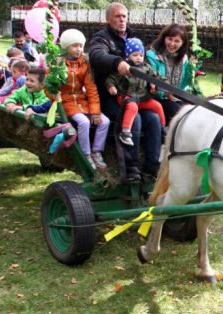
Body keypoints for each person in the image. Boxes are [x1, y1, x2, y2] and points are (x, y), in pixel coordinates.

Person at [89, 2, 163, 180]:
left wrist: (154, 83)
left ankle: (152, 167)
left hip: (136, 94)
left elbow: (144, 64)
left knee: (153, 119)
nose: (122, 19)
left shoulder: (134, 37)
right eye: (117, 16)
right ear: (108, 19)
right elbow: (97, 55)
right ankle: (131, 168)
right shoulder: (101, 38)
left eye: (124, 16)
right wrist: (117, 62)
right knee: (133, 118)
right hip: (110, 95)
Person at [57, 29, 110, 170]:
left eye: (81, 45)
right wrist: (54, 96)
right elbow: (49, 87)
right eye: (75, 46)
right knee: (84, 122)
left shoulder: (84, 64)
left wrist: (95, 112)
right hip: (67, 102)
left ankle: (97, 152)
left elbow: (91, 88)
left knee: (105, 122)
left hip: (82, 101)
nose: (79, 49)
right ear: (66, 47)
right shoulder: (58, 64)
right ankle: (85, 154)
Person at [106, 37, 165, 147]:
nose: (138, 58)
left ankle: (163, 128)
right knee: (133, 108)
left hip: (142, 97)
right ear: (128, 55)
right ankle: (125, 132)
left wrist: (154, 83)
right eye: (135, 55)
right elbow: (111, 79)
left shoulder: (147, 67)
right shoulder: (125, 68)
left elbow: (157, 76)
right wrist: (111, 86)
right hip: (126, 96)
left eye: (141, 55)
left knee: (157, 106)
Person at [146, 23, 192, 124]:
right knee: (180, 114)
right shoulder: (152, 55)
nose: (172, 44)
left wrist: (192, 69)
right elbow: (152, 82)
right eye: (170, 39)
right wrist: (166, 93)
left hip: (174, 98)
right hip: (156, 98)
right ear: (164, 38)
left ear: (182, 43)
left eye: (177, 41)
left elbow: (183, 85)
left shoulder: (183, 58)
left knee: (193, 111)